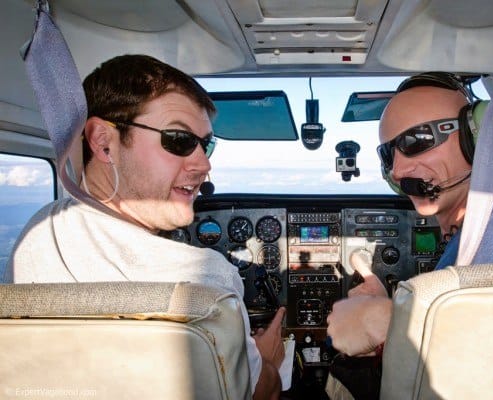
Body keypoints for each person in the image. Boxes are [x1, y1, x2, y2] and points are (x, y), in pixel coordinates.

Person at [5, 54, 284, 400]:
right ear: (103, 142)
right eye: (179, 140)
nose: (204, 164)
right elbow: (259, 393)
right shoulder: (207, 281)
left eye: (205, 144)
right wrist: (268, 359)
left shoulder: (37, 234)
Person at [326, 72, 493, 397]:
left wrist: (389, 321)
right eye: (389, 154)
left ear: (476, 140)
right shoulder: (479, 229)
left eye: (416, 141)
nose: (399, 170)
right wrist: (391, 310)